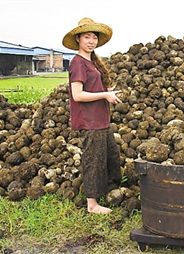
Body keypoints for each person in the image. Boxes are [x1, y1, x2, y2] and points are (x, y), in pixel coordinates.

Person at [62, 17, 122, 214]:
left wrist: (108, 90)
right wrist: (105, 94)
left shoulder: (93, 62)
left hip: (101, 119)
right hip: (90, 121)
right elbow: (77, 95)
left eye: (94, 37)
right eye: (87, 37)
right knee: (93, 161)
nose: (91, 41)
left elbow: (93, 86)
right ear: (78, 38)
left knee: (110, 157)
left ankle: (107, 193)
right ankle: (92, 204)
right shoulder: (77, 63)